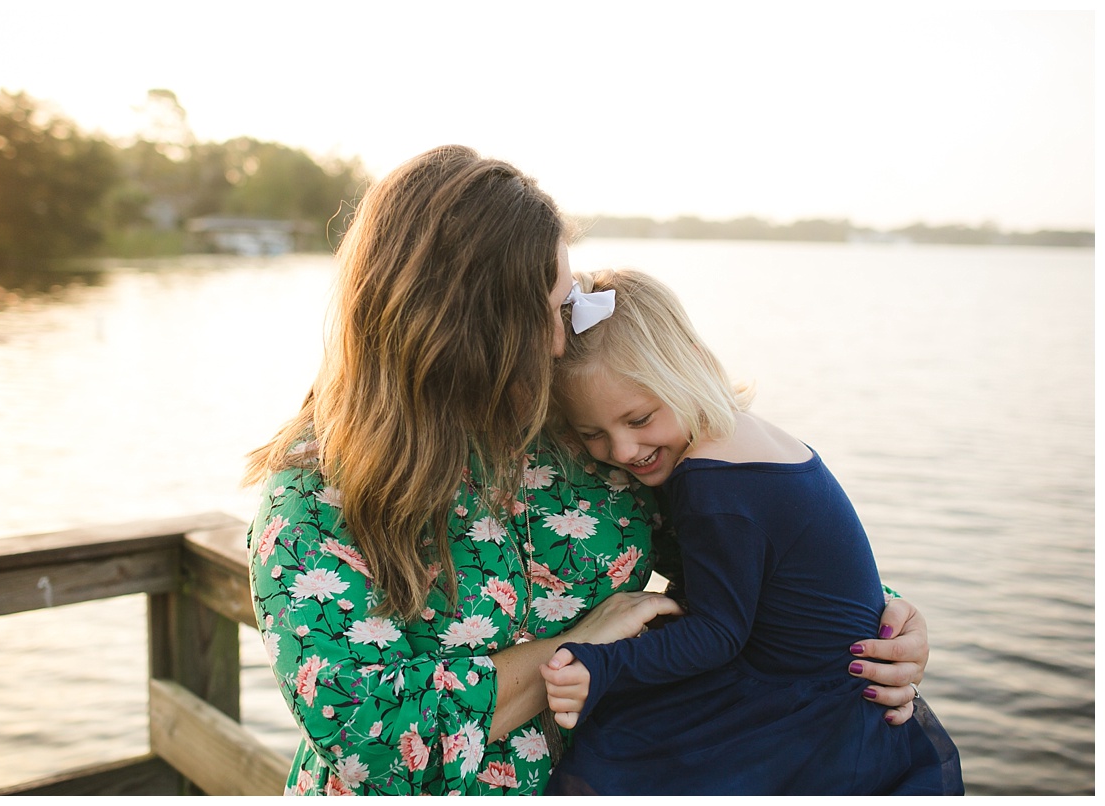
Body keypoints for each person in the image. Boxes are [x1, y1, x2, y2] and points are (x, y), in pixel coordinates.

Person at [244, 145, 932, 796]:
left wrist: (875, 612)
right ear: (463, 327)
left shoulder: (577, 436)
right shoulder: (312, 498)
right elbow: (374, 747)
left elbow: (744, 541)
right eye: (542, 315)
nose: (558, 342)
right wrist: (577, 646)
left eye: (565, 305)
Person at [540, 268, 964, 795]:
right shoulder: (747, 435)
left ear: (688, 364)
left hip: (800, 713)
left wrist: (601, 664)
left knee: (613, 763)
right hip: (833, 692)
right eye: (592, 435)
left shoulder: (710, 480)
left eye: (640, 418)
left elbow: (719, 634)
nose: (623, 451)